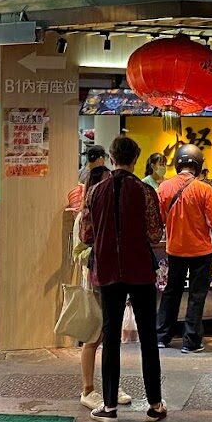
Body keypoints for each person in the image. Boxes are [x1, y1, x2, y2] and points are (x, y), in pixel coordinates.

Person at [79, 135, 167, 422]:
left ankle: (109, 406)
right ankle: (154, 404)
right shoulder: (145, 192)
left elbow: (86, 235)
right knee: (148, 338)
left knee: (111, 338)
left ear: (113, 158)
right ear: (135, 160)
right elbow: (155, 234)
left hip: (107, 271)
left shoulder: (94, 193)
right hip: (140, 270)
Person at [70, 164, 134, 409]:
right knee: (93, 337)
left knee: (110, 337)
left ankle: (111, 384)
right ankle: (87, 389)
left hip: (111, 280)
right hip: (95, 282)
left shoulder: (108, 211)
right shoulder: (84, 216)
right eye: (106, 182)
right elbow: (79, 253)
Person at [156, 144, 212, 353]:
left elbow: (160, 219)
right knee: (196, 295)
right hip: (201, 252)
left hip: (174, 249)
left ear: (177, 164)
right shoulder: (205, 189)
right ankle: (191, 341)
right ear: (198, 164)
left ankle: (162, 336)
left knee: (171, 292)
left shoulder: (164, 188)